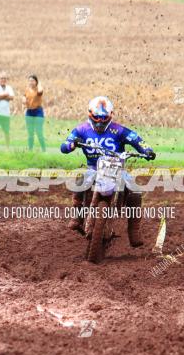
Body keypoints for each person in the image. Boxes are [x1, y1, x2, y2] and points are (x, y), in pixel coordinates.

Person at [60, 96, 156, 247]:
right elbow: (64, 145)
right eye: (96, 118)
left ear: (110, 116)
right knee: (79, 181)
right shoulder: (81, 130)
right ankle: (77, 217)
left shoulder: (118, 130)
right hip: (94, 168)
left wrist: (147, 150)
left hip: (117, 168)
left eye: (103, 118)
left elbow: (136, 139)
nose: (99, 121)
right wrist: (71, 145)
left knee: (135, 191)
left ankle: (134, 230)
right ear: (90, 115)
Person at [24, 75, 46, 151]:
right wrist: (23, 100)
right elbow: (24, 97)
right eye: (29, 81)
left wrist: (39, 84)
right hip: (29, 112)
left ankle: (44, 150)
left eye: (33, 80)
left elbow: (40, 92)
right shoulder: (27, 90)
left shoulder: (38, 89)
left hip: (38, 112)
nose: (31, 82)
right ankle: (30, 150)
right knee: (30, 133)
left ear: (36, 82)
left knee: (39, 132)